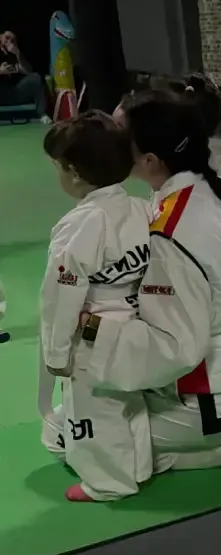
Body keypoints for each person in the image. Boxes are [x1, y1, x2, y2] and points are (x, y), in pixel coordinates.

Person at [46, 93, 221, 474]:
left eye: (118, 132)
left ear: (148, 160)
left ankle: (220, 453)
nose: (109, 137)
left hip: (217, 402)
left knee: (67, 433)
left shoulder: (170, 229)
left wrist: (92, 329)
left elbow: (176, 349)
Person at [40, 113, 152, 502]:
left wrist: (56, 352)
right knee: (131, 400)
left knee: (93, 408)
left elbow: (61, 293)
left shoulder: (81, 224)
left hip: (93, 334)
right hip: (138, 325)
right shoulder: (142, 208)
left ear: (73, 172)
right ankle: (139, 466)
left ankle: (107, 482)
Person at [0, 31, 48, 119]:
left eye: (12, 40)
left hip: (14, 90)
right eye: (7, 38)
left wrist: (17, 53)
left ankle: (42, 114)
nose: (9, 41)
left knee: (35, 78)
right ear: (1, 36)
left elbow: (28, 71)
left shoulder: (14, 54)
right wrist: (1, 71)